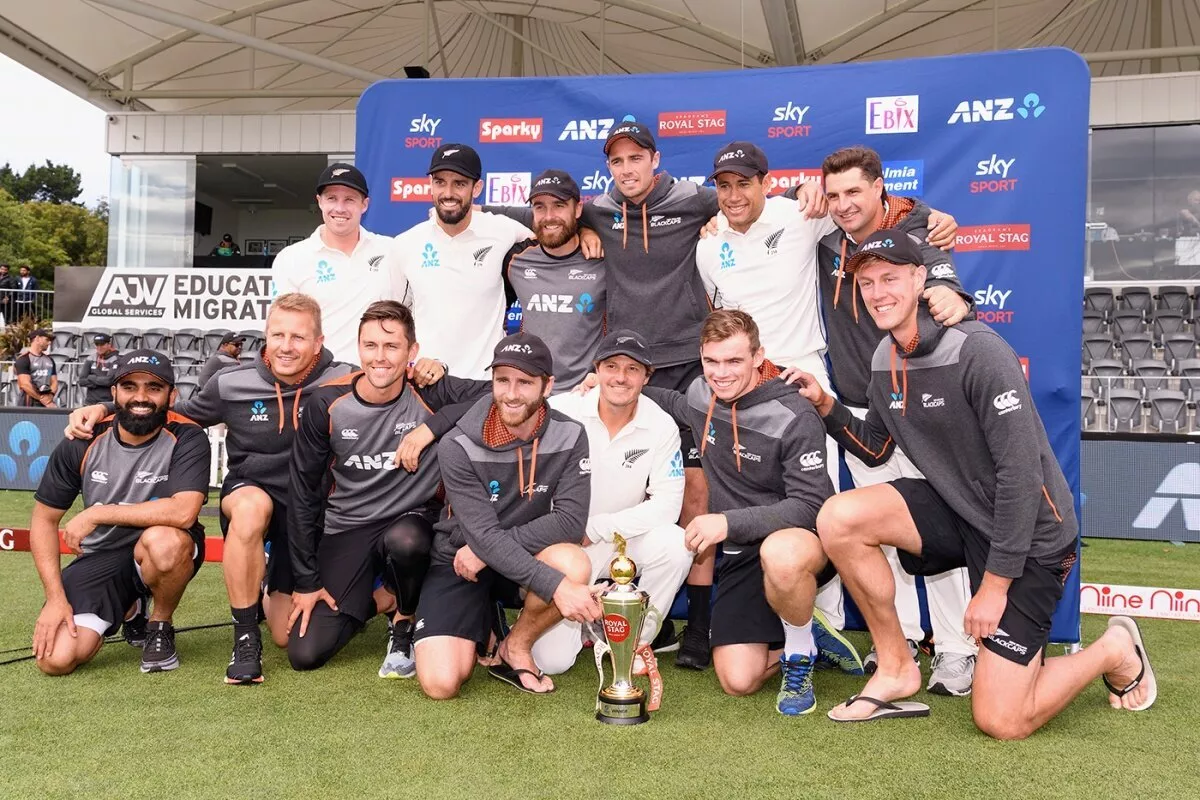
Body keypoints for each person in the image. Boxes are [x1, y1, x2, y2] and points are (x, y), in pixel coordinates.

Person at [488, 121, 826, 671]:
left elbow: (753, 202)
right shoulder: (595, 210)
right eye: (616, 162)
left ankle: (697, 623)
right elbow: (541, 218)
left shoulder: (696, 199)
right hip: (627, 366)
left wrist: (807, 192)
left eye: (635, 159)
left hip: (691, 367)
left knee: (697, 494)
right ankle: (624, 607)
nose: (626, 170)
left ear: (654, 158)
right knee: (613, 481)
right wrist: (567, 234)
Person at [791, 230, 1156, 735]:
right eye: (868, 282)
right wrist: (827, 406)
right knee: (840, 517)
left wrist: (993, 588)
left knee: (1001, 720)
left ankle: (1114, 648)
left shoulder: (979, 350)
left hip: (1031, 538)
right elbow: (878, 447)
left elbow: (1021, 476)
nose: (877, 292)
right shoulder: (883, 357)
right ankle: (896, 668)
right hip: (961, 514)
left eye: (890, 278)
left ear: (921, 279)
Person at [65, 293, 356, 685]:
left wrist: (428, 368)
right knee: (252, 507)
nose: (286, 346)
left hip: (307, 509)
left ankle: (265, 583)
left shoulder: (345, 378)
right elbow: (167, 413)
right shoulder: (231, 381)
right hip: (249, 492)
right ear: (265, 336)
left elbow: (394, 386)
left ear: (318, 341)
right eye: (278, 335)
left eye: (299, 337)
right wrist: (103, 408)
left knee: (287, 638)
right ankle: (245, 637)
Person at [612, 309, 859, 716]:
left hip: (798, 545)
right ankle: (803, 630)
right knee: (737, 681)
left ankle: (798, 653)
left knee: (780, 554)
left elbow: (811, 506)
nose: (721, 373)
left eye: (734, 361)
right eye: (711, 361)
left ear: (759, 356)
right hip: (741, 555)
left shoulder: (795, 414)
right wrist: (614, 384)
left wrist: (726, 522)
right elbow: (670, 399)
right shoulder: (699, 393)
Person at [812, 145, 979, 694]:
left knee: (940, 531)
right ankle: (900, 642)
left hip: (920, 406)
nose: (842, 205)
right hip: (861, 411)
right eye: (832, 194)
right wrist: (802, 196)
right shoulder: (826, 238)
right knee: (877, 535)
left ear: (881, 187)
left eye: (854, 192)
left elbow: (946, 286)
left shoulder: (919, 227)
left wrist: (952, 296)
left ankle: (956, 650)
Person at [287, 301, 500, 676]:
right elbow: (303, 494)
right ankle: (383, 599)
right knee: (306, 653)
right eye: (370, 346)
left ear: (411, 353)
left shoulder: (430, 392)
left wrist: (431, 428)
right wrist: (306, 581)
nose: (380, 357)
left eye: (391, 347)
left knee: (406, 541)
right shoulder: (327, 403)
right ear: (358, 348)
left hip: (412, 522)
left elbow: (501, 393)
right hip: (349, 526)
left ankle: (404, 618)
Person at [412, 331, 597, 698]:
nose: (511, 394)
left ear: (548, 386)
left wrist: (488, 550)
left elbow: (571, 522)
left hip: (502, 556)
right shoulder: (456, 443)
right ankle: (482, 621)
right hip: (459, 559)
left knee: (574, 563)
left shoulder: (571, 434)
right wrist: (557, 587)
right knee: (441, 683)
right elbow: (480, 533)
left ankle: (515, 645)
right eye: (502, 380)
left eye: (525, 382)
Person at [30, 350, 210, 675]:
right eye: (129, 386)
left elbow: (184, 512)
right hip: (101, 556)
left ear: (172, 394)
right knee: (55, 659)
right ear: (113, 393)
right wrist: (56, 598)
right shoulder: (82, 439)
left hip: (161, 547)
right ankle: (130, 608)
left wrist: (97, 514)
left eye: (153, 388)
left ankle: (159, 625)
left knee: (164, 543)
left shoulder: (188, 436)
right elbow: (43, 520)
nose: (140, 397)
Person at [533, 329, 693, 675]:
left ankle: (631, 641)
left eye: (632, 369)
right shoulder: (561, 410)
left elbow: (667, 506)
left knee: (677, 543)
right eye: (611, 366)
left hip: (617, 541)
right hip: (563, 548)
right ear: (597, 370)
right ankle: (588, 622)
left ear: (647, 376)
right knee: (552, 662)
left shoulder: (661, 425)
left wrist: (597, 528)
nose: (620, 377)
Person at [387, 144, 535, 379]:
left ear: (477, 188)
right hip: (427, 380)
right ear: (430, 185)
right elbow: (395, 318)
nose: (448, 193)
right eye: (440, 182)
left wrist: (587, 232)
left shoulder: (503, 230)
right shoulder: (405, 243)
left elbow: (551, 234)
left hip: (485, 383)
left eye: (459, 183)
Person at [272, 163, 397, 364]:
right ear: (319, 201)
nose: (340, 208)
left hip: (378, 380)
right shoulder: (291, 258)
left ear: (364, 204)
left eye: (349, 199)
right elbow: (282, 328)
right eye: (332, 198)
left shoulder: (392, 251)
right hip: (317, 383)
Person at [502, 170, 606, 392]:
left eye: (558, 205)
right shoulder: (515, 260)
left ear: (578, 209)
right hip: (531, 393)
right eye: (540, 207)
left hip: (587, 393)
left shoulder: (602, 259)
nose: (549, 216)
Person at [14, 329, 57, 408]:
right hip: (29, 401)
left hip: (47, 400)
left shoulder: (50, 360)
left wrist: (50, 396)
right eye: (47, 340)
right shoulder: (24, 359)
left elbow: (54, 382)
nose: (49, 343)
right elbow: (24, 384)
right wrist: (41, 399)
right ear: (37, 339)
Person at [77, 334, 121, 405]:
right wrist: (100, 381)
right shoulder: (91, 358)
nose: (99, 347)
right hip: (90, 402)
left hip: (108, 403)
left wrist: (91, 377)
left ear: (109, 345)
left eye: (102, 344)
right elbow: (81, 381)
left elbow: (109, 381)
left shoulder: (116, 359)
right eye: (97, 345)